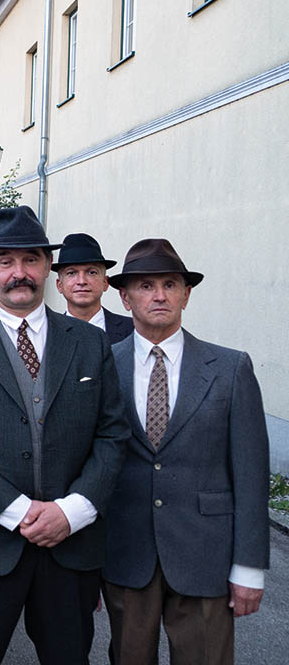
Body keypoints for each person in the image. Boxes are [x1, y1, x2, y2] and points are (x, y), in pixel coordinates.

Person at [0, 206, 129, 665]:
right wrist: (15, 511)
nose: (20, 273)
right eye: (5, 261)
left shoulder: (89, 343)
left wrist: (73, 512)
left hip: (69, 545)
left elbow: (113, 433)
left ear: (47, 266)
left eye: (31, 259)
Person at [103, 239, 269, 665]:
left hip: (206, 555)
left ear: (186, 294)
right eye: (145, 285)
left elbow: (251, 474)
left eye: (170, 284)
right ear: (124, 297)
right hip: (126, 553)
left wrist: (249, 567)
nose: (159, 295)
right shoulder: (101, 364)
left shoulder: (230, 369)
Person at [54, 233, 133, 345]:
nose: (81, 281)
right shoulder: (48, 333)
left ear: (105, 282)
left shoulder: (132, 330)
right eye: (71, 273)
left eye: (92, 272)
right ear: (59, 285)